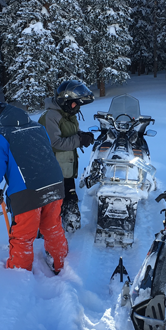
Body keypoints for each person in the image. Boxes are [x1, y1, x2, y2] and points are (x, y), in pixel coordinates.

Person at [0, 102, 68, 274]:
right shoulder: (38, 127)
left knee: (23, 236)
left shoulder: (0, 136)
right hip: (55, 184)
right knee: (52, 226)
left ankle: (19, 276)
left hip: (27, 192)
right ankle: (59, 261)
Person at [39, 80, 95, 231]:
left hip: (66, 165)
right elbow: (54, 142)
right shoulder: (51, 116)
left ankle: (70, 226)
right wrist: (78, 140)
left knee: (69, 195)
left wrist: (82, 135)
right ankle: (49, 230)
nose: (76, 108)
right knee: (55, 201)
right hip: (53, 168)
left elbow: (69, 132)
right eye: (74, 104)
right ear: (65, 101)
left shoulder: (68, 114)